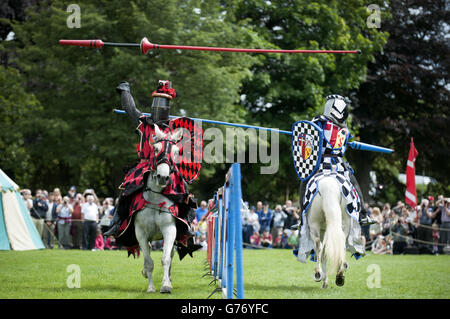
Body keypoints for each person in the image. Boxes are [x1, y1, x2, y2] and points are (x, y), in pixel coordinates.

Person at [104, 80, 197, 240]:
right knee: (126, 190)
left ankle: (186, 224)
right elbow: (130, 109)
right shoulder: (143, 122)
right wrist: (125, 92)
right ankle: (117, 222)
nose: (159, 108)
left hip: (167, 165)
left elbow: (186, 144)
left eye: (163, 104)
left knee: (183, 188)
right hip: (145, 165)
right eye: (157, 103)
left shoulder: (173, 127)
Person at [293, 95, 376, 231]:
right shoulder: (344, 128)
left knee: (305, 182)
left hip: (318, 164)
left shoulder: (320, 120)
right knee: (353, 183)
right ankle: (363, 214)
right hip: (338, 165)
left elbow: (308, 134)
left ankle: (302, 218)